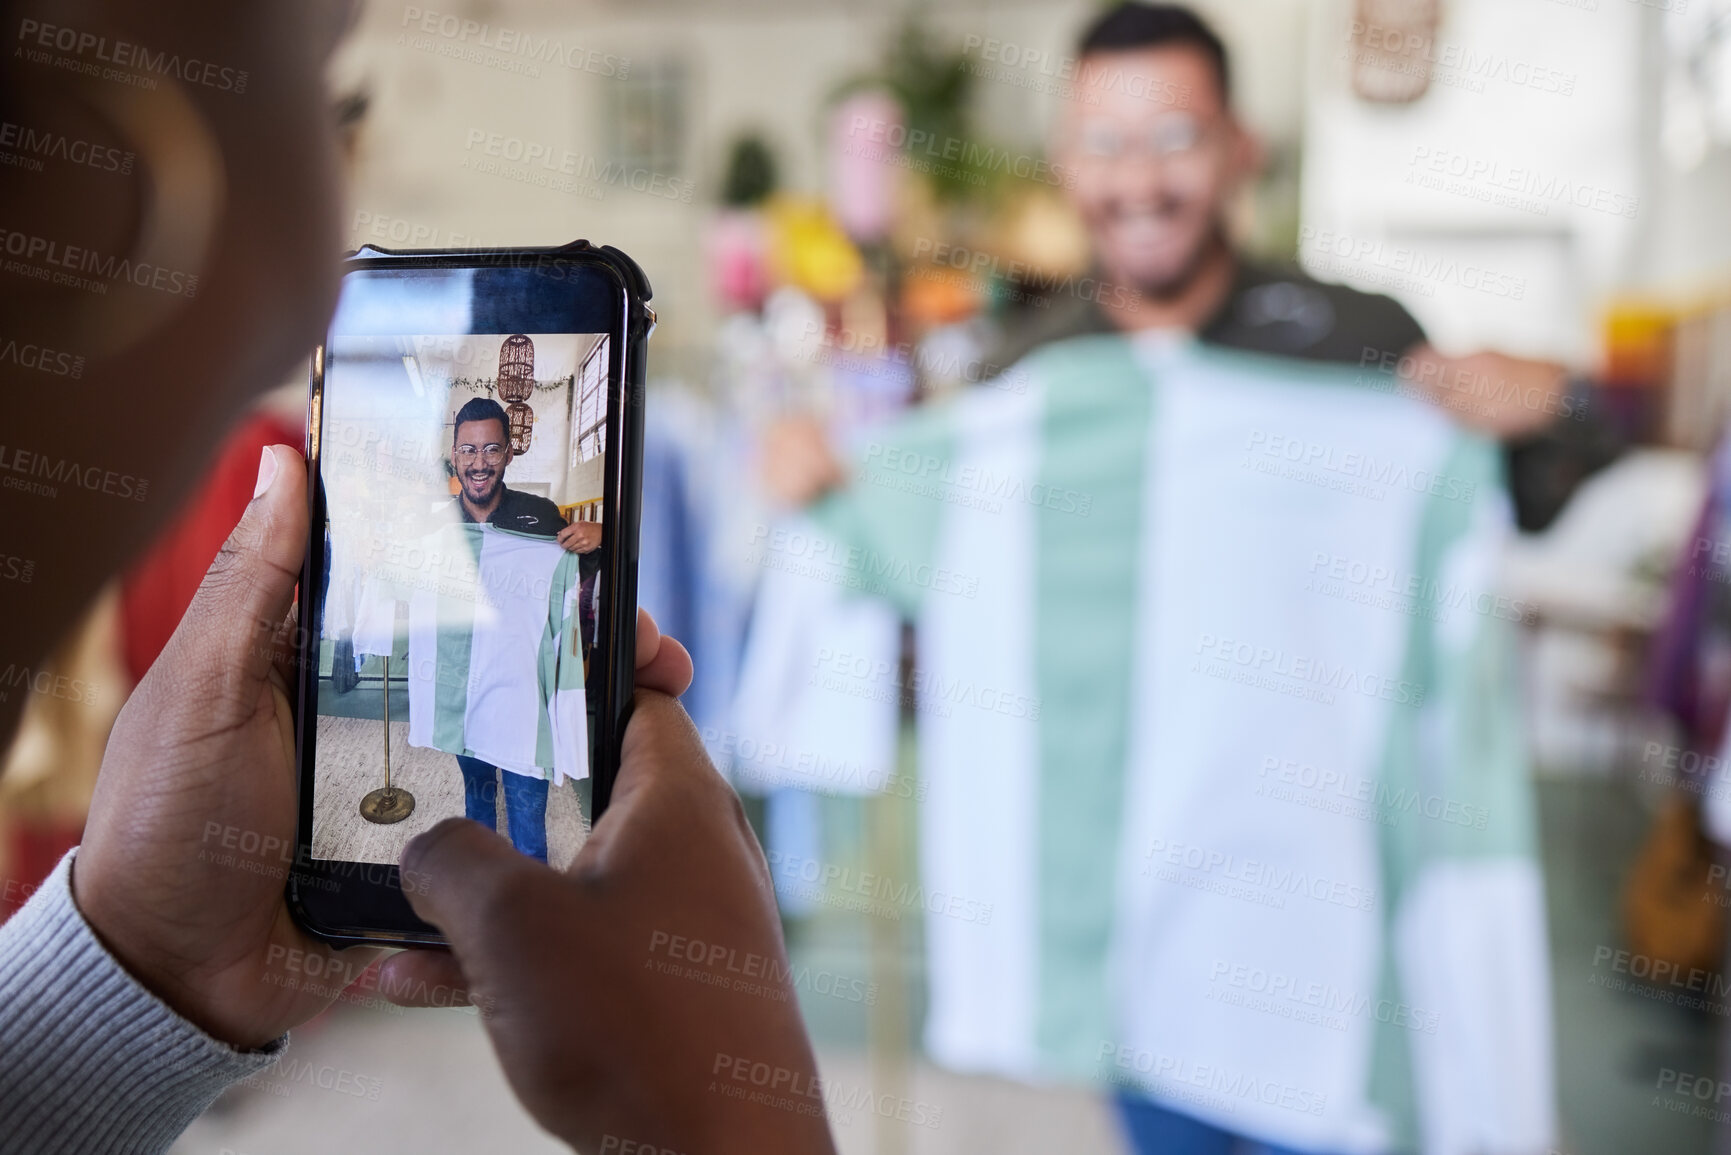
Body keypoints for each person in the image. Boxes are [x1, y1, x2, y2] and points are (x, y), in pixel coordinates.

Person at [0, 2, 835, 1151]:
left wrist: (145, 960)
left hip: (491, 715)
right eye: (330, 82)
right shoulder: (416, 508)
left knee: (513, 790)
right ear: (110, 162)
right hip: (458, 709)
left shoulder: (527, 514)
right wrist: (729, 1119)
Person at [762, 6, 1555, 1155]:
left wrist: (1553, 399)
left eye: (1175, 135)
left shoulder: (1360, 341)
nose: (1139, 180)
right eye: (1107, 144)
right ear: (1067, 163)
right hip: (1138, 958)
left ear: (1241, 146)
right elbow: (911, 598)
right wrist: (835, 487)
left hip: (1324, 926)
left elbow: (1498, 496)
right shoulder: (1023, 379)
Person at [444, 394, 601, 860]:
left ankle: (528, 911)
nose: (479, 462)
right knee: (478, 802)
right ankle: (484, 886)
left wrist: (605, 535)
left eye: (491, 449)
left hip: (524, 699)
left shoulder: (541, 515)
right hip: (464, 693)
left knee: (528, 821)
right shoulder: (435, 526)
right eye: (469, 450)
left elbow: (578, 573)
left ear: (508, 453)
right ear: (455, 455)